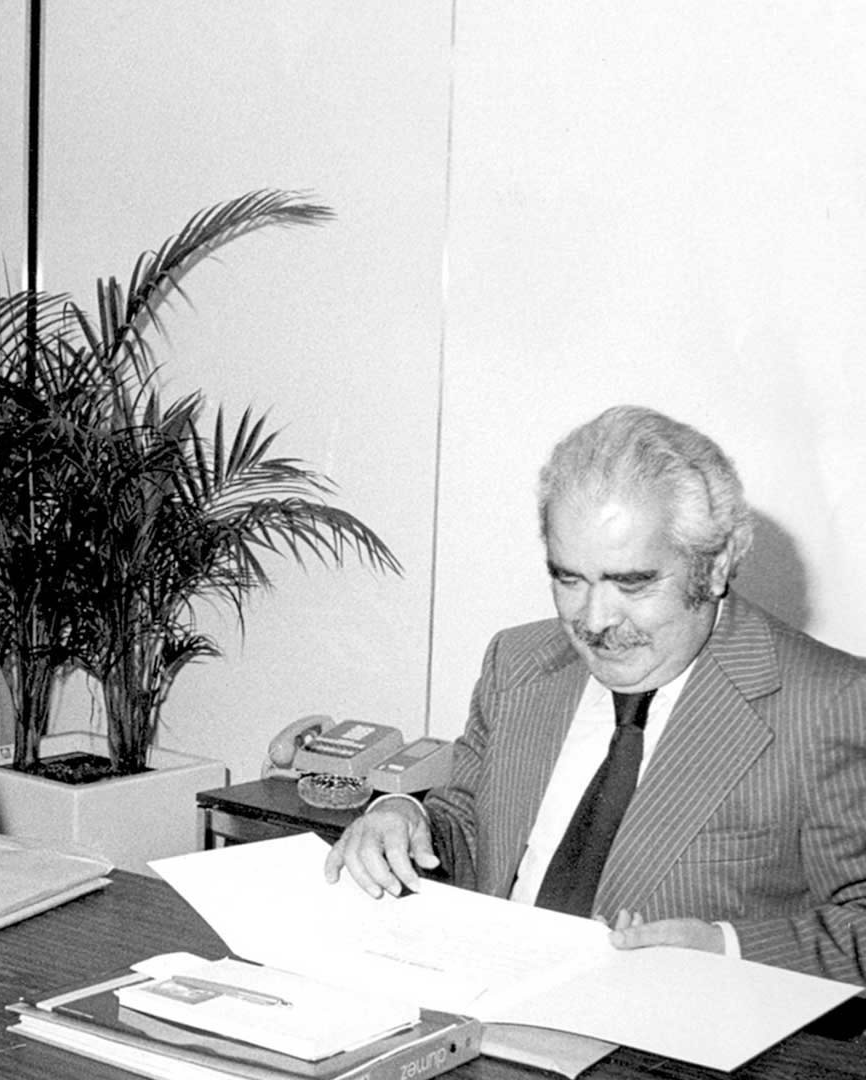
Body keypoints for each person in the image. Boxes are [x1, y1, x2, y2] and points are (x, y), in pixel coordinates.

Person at [326, 404, 866, 985]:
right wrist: (403, 818)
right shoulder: (518, 664)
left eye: (632, 582)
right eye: (568, 578)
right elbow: (468, 828)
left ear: (715, 566)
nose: (594, 619)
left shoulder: (830, 702)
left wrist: (726, 949)